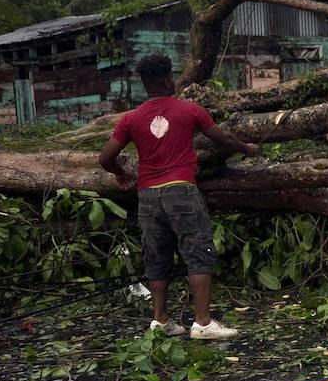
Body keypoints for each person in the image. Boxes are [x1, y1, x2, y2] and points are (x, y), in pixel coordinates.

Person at [98, 54, 258, 340]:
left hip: (148, 195)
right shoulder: (189, 110)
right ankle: (203, 323)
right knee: (197, 253)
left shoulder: (130, 119)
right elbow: (224, 140)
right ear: (166, 79)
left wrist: (121, 174)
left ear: (146, 83)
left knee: (156, 255)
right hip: (181, 190)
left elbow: (106, 157)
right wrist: (247, 148)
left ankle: (160, 322)